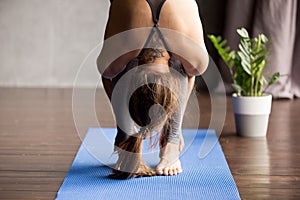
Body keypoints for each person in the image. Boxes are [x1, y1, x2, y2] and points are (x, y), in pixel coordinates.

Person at [97, 0, 208, 178]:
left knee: (112, 67)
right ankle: (163, 139)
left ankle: (170, 140)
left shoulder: (197, 61)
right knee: (189, 66)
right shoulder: (197, 60)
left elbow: (107, 74)